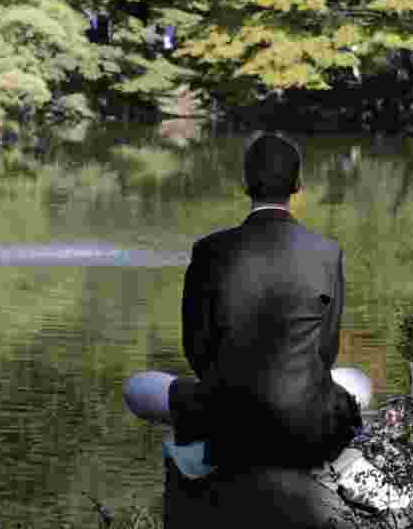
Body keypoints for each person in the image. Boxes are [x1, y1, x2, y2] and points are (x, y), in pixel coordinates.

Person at [124, 131, 364, 474]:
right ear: (297, 185)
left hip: (225, 418)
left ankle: (208, 452)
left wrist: (224, 393)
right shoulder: (327, 253)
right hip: (305, 422)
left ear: (245, 183)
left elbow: (196, 350)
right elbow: (326, 352)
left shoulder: (209, 251)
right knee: (357, 381)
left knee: (138, 388)